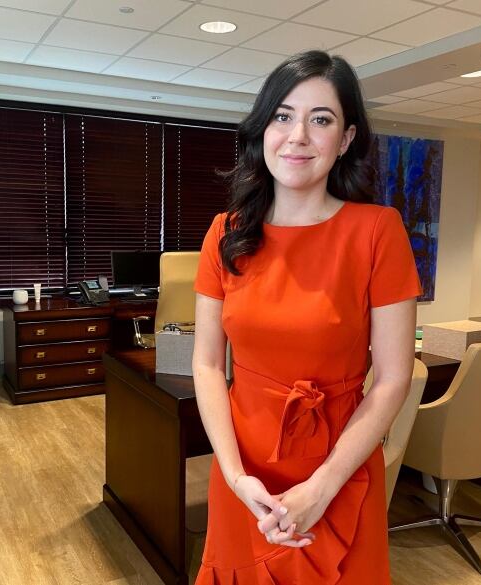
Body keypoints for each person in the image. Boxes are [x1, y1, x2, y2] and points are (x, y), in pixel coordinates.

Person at [192, 50, 422, 584]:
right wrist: (233, 475)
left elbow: (393, 378)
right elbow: (206, 365)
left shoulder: (377, 231)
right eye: (283, 115)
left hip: (336, 469)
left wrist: (322, 487)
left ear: (344, 141)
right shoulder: (224, 233)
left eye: (321, 120)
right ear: (262, 130)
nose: (298, 135)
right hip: (243, 469)